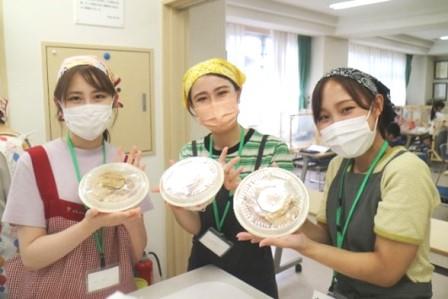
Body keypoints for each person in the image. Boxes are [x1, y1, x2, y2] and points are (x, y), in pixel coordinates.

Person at [238, 67, 440, 299]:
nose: (336, 124)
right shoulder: (339, 166)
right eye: (324, 117)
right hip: (345, 290)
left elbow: (387, 271)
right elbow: (327, 237)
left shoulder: (404, 170)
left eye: (346, 109)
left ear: (376, 106)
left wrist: (306, 247)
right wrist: (286, 217)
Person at [2, 56, 152, 298]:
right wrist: (89, 225)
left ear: (113, 101)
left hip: (116, 292)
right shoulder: (35, 162)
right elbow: (31, 258)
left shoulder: (123, 163)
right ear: (59, 105)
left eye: (98, 96)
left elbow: (136, 252)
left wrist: (132, 212)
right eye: (75, 98)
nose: (88, 105)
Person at [169, 58, 293, 298]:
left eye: (222, 92)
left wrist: (238, 190)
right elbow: (196, 226)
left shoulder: (273, 149)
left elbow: (283, 223)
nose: (213, 103)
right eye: (202, 98)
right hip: (204, 255)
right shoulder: (191, 153)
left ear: (238, 93)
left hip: (254, 262)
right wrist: (175, 204)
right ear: (192, 108)